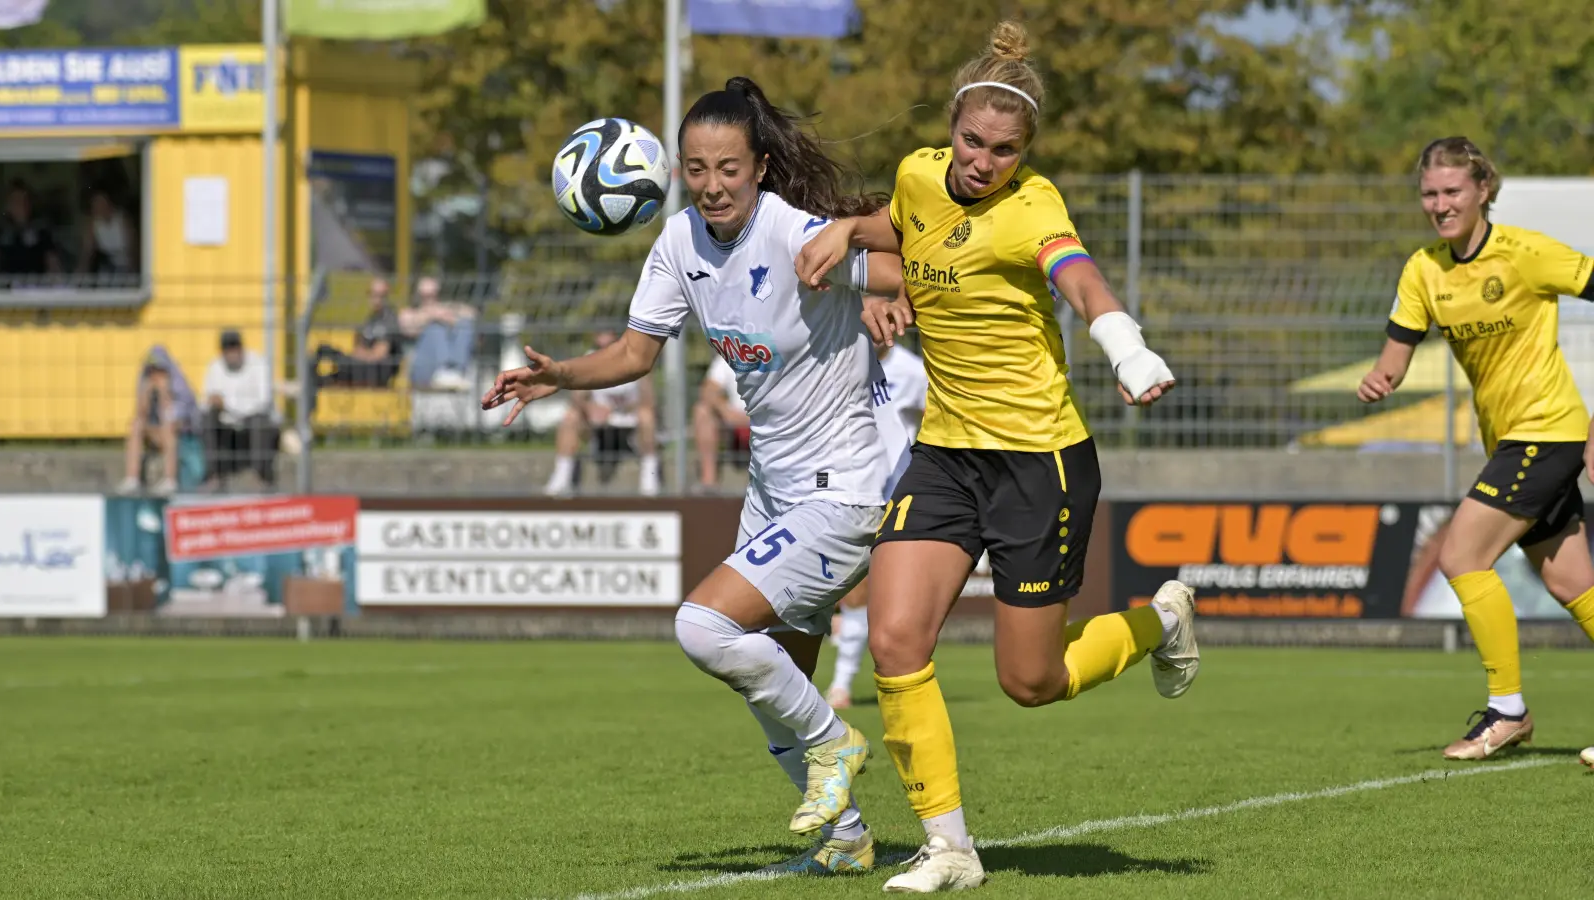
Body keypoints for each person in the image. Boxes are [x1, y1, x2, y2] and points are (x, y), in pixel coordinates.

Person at [796, 22, 1199, 891]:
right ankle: (950, 848)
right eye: (973, 142)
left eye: (1004, 150)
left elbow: (1079, 275)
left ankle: (1160, 620)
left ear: (1025, 154)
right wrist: (852, 235)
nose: (984, 162)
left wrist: (1124, 345)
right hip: (945, 454)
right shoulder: (914, 171)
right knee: (898, 637)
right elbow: (906, 227)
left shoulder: (1033, 205)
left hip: (1039, 463)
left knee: (1032, 681)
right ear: (951, 127)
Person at [484, 76, 911, 876]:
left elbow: (912, 274)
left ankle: (837, 744)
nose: (713, 184)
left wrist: (883, 298)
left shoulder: (797, 234)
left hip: (842, 488)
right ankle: (848, 837)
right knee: (773, 680)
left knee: (702, 628)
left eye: (728, 167)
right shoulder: (678, 242)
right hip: (773, 491)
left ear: (759, 165)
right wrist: (563, 377)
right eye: (696, 168)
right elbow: (637, 353)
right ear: (676, 171)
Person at [1358, 136, 1594, 761]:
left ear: (1483, 188)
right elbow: (1396, 353)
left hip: (1547, 432)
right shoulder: (1425, 269)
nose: (1440, 204)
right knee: (1574, 584)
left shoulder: (1524, 254)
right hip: (1510, 440)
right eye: (1430, 194)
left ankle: (1507, 710)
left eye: (1452, 191)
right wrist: (1382, 378)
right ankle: (1510, 713)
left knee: (1461, 554)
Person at [826, 341, 928, 710]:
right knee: (852, 590)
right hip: (846, 487)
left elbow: (938, 418)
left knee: (876, 595)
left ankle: (843, 684)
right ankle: (840, 681)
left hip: (896, 495)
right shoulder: (840, 360)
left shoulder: (913, 371)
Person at [543, 330, 661, 497]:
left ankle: (650, 479)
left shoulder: (636, 358)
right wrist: (590, 408)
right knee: (571, 417)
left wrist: (624, 408)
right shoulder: (590, 359)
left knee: (647, 416)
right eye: (599, 346)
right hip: (598, 425)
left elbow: (649, 399)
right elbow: (577, 397)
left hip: (631, 422)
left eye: (608, 346)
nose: (603, 350)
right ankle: (561, 477)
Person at [201, 330, 278, 491]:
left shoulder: (258, 363)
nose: (231, 354)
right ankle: (214, 475)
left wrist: (228, 405)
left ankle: (260, 476)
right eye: (227, 351)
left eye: (234, 349)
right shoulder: (215, 366)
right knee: (207, 419)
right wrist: (218, 405)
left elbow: (263, 401)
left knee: (260, 422)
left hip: (254, 418)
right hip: (227, 422)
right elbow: (207, 401)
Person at [119, 346, 200, 495]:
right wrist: (147, 394)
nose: (155, 375)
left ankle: (170, 480)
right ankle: (132, 478)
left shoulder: (180, 389)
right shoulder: (146, 383)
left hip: (181, 436)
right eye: (151, 370)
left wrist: (164, 394)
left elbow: (175, 418)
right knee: (136, 425)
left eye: (159, 370)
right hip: (157, 433)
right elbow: (140, 414)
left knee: (167, 427)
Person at [312, 277, 403, 390]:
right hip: (361, 365)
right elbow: (358, 346)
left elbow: (379, 354)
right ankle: (310, 386)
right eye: (372, 293)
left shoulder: (390, 319)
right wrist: (361, 354)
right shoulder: (372, 318)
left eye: (381, 295)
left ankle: (312, 387)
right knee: (324, 350)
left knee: (340, 368)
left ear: (387, 296)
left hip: (375, 372)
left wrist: (361, 354)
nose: (376, 298)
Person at [399, 275, 475, 391]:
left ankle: (455, 370)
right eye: (425, 296)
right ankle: (444, 370)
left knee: (464, 324)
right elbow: (408, 329)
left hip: (447, 370)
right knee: (435, 327)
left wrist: (450, 314)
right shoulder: (408, 312)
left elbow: (471, 314)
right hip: (421, 369)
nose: (429, 299)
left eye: (432, 295)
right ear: (418, 295)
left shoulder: (445, 309)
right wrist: (432, 316)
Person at [692, 354, 752, 490]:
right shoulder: (730, 352)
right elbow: (708, 389)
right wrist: (725, 411)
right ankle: (709, 484)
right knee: (702, 411)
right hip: (736, 422)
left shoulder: (778, 351)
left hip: (770, 420)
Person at [0, 180, 61, 281]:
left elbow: (52, 262)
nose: (21, 205)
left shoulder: (41, 229)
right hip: (7, 288)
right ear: (8, 206)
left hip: (34, 287)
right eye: (16, 201)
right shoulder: (1, 230)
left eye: (24, 200)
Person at [78, 188, 138, 281]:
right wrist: (80, 272)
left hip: (126, 264)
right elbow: (87, 250)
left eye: (101, 203)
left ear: (109, 204)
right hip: (107, 266)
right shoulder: (94, 223)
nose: (97, 207)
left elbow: (133, 247)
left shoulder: (123, 219)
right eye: (95, 205)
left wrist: (133, 270)